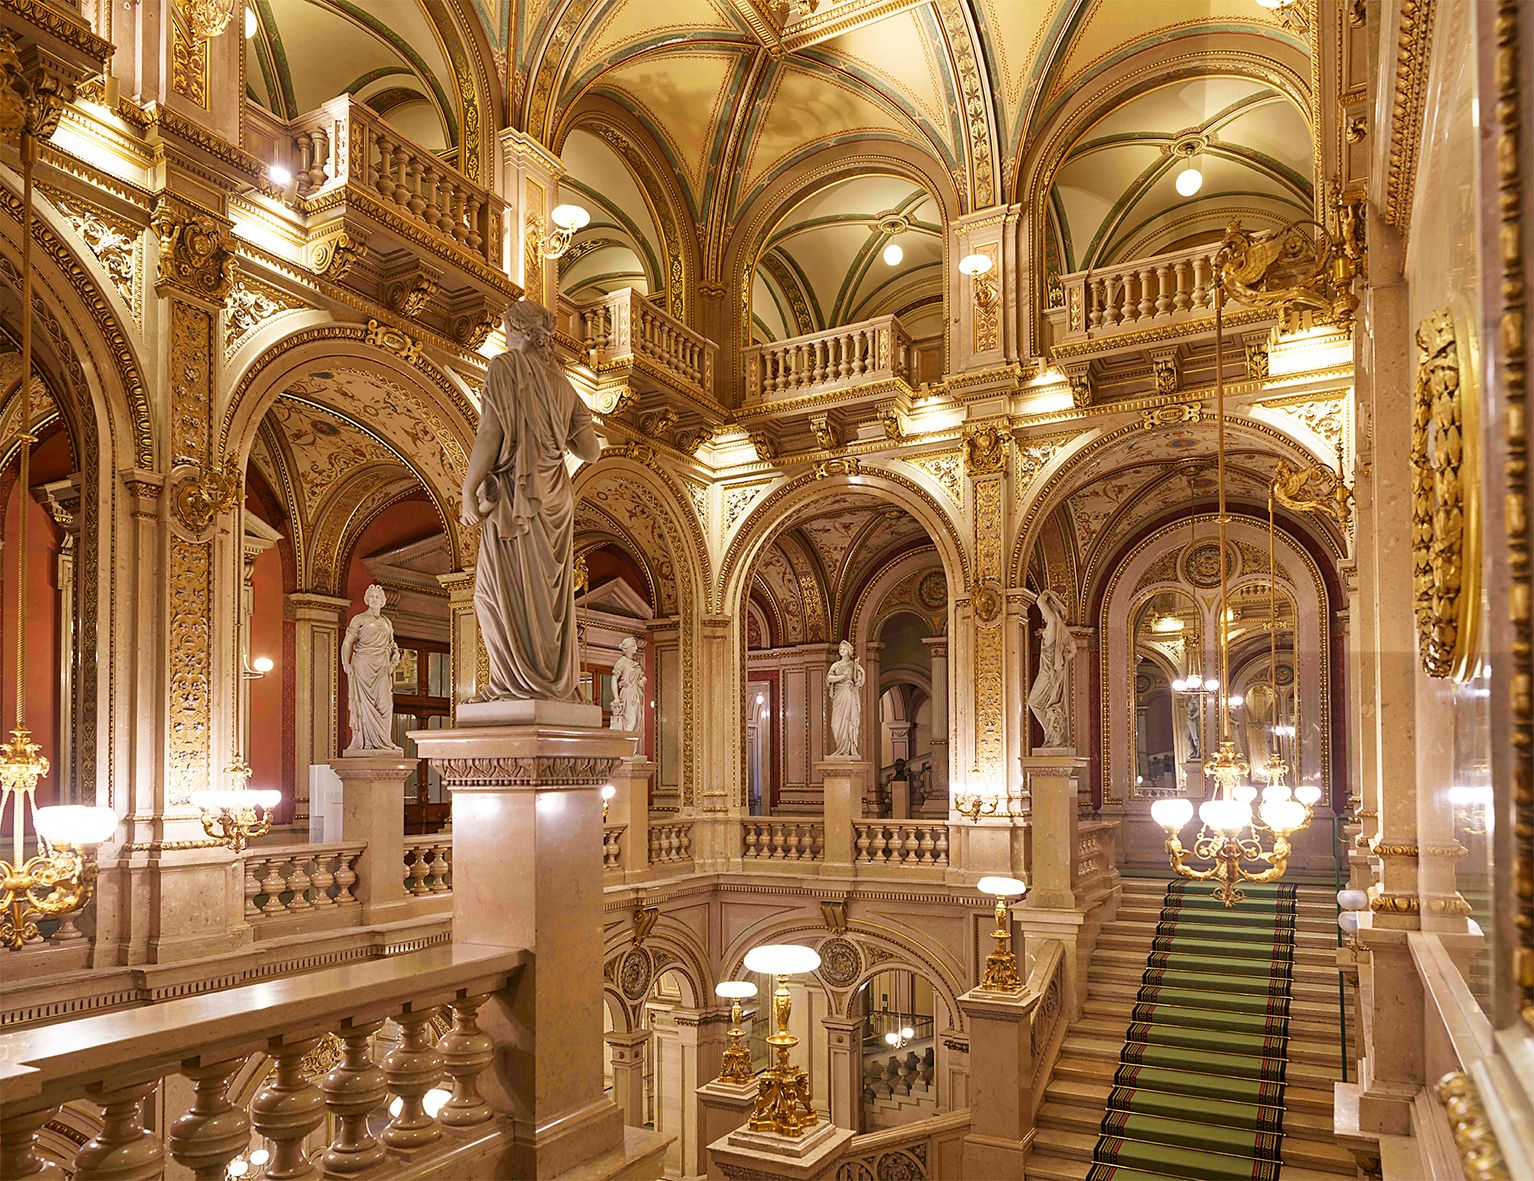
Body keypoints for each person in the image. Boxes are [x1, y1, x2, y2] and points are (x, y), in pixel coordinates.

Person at [460, 299, 602, 701]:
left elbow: (490, 432)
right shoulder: (564, 386)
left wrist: (468, 490)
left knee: (493, 595)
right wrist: (560, 423)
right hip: (555, 497)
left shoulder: (505, 367)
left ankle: (513, 684)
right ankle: (549, 684)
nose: (505, 337)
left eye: (507, 329)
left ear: (519, 331)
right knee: (546, 598)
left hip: (517, 498)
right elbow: (590, 451)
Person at [341, 583, 403, 753]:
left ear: (382, 601)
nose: (374, 599)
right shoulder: (359, 619)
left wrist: (395, 655)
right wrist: (346, 663)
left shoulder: (386, 621)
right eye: (371, 596)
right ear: (367, 599)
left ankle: (384, 740)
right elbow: (347, 642)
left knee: (385, 704)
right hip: (363, 664)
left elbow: (391, 644)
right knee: (364, 704)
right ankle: (365, 741)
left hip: (382, 665)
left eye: (377, 597)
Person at [827, 640, 866, 758]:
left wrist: (861, 674)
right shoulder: (835, 665)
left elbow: (860, 680)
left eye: (844, 649)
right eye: (840, 649)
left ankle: (847, 749)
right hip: (839, 695)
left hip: (849, 693)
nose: (841, 651)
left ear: (849, 651)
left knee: (848, 719)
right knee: (835, 724)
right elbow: (829, 678)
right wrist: (841, 676)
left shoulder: (854, 665)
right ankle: (839, 748)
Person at [610, 636, 646, 732]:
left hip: (637, 693)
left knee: (638, 721)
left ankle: (633, 741)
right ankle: (626, 740)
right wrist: (616, 697)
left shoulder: (636, 663)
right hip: (628, 694)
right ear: (628, 648)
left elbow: (643, 676)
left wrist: (643, 680)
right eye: (634, 646)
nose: (636, 648)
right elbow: (614, 678)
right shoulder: (622, 661)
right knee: (631, 721)